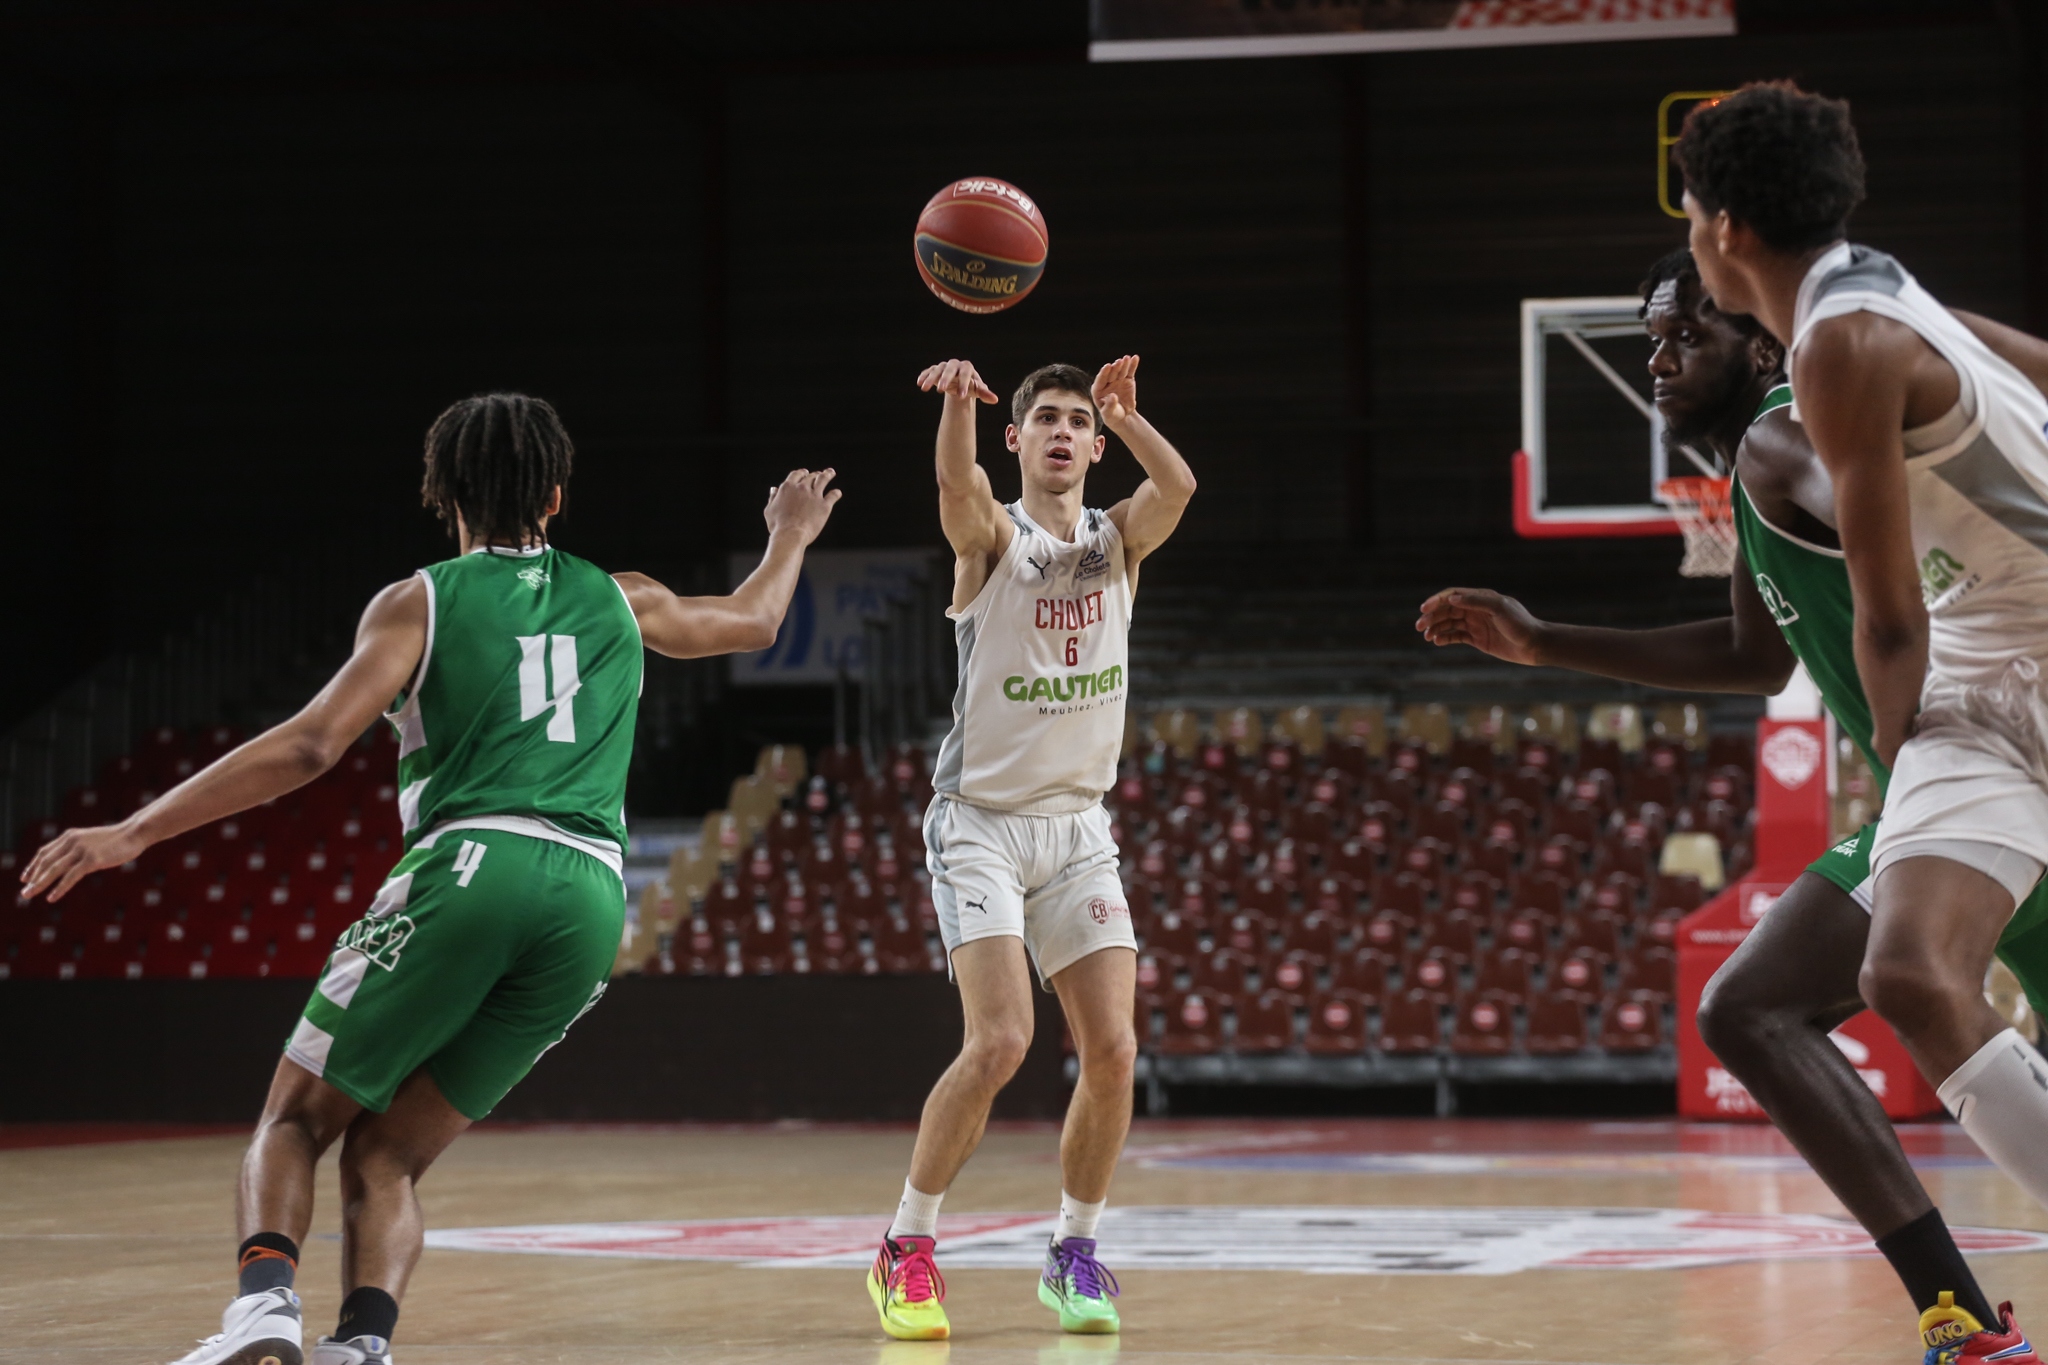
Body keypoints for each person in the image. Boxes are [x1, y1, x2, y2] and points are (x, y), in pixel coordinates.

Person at [20, 394, 842, 1365]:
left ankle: (263, 1315)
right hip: (589, 902)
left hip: (476, 860)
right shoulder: (625, 596)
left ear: (441, 494)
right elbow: (752, 620)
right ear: (557, 495)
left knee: (294, 1117)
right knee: (388, 1151)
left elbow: (315, 743)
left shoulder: (422, 598)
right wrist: (787, 535)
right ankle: (360, 1345)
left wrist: (136, 830)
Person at [1420, 246, 2048, 1364]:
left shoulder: (1777, 432)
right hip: (1985, 805)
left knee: (1748, 1008)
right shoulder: (1751, 481)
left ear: (1756, 344)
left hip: (1979, 776)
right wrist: (1541, 642)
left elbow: (1886, 513)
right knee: (1761, 1008)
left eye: (1684, 337)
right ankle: (1961, 1323)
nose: (1659, 362)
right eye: (1650, 344)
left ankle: (1958, 1321)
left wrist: (1921, 706)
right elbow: (1753, 657)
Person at [864, 357, 1195, 1341]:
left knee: (1112, 1049)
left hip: (1077, 826)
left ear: (1093, 446)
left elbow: (1175, 489)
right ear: (1019, 440)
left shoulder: (1116, 541)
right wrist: (961, 408)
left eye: (1076, 422)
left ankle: (1074, 1251)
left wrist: (1129, 417)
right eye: (1043, 419)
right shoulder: (992, 540)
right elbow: (954, 490)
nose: (1060, 432)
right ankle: (905, 1246)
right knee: (1001, 1040)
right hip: (980, 823)